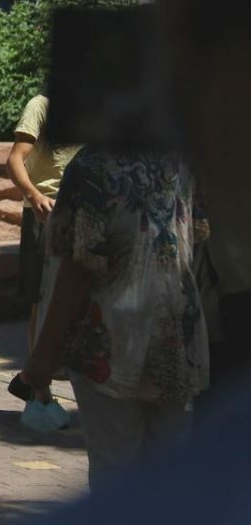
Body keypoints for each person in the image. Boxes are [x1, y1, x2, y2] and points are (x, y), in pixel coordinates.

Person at [19, 145, 206, 487]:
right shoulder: (177, 159)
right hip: (176, 337)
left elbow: (76, 271)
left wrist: (41, 360)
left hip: (110, 344)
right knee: (168, 477)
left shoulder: (91, 167)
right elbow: (197, 241)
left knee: (116, 476)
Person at [6, 94, 83, 352]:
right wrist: (33, 194)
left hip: (87, 210)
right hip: (47, 211)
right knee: (44, 298)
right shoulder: (41, 105)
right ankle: (38, 385)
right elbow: (15, 159)